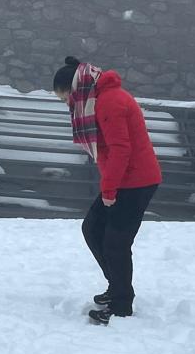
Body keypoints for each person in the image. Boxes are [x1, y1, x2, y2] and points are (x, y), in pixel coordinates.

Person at [53, 55, 162, 324]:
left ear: (75, 88)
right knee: (92, 228)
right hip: (126, 180)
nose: (66, 103)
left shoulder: (109, 102)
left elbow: (121, 150)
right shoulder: (100, 98)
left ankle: (122, 303)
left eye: (64, 96)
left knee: (116, 243)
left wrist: (109, 191)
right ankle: (117, 287)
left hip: (136, 182)